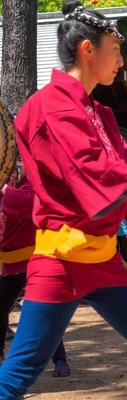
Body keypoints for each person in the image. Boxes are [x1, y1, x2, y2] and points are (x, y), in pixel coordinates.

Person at [0, 3, 127, 398]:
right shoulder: (49, 104)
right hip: (61, 257)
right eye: (116, 48)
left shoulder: (101, 115)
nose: (121, 61)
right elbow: (89, 169)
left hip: (102, 259)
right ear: (88, 50)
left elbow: (120, 179)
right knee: (20, 372)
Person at [0, 161, 71, 377]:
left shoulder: (33, 186)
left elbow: (23, 204)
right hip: (10, 263)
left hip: (35, 260)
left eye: (17, 166)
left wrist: (3, 186)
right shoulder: (13, 188)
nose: (14, 171)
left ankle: (60, 360)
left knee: (43, 312)